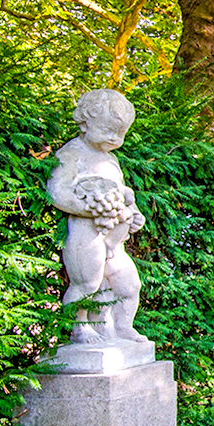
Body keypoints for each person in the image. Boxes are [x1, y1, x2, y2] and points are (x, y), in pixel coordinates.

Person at [47, 90, 148, 345]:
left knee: (129, 285)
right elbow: (57, 193)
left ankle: (121, 326)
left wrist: (134, 215)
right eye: (107, 131)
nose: (114, 138)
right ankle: (79, 327)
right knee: (87, 284)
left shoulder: (111, 160)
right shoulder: (72, 153)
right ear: (85, 122)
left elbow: (121, 196)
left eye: (120, 134)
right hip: (85, 232)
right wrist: (90, 208)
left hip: (115, 238)